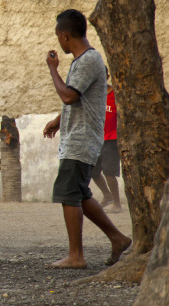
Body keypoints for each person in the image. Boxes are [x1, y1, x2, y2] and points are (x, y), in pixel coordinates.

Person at [43, 9, 131, 268]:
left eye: (59, 37)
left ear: (64, 35)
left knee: (68, 194)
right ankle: (117, 237)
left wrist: (52, 70)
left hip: (81, 141)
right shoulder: (84, 62)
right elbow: (79, 98)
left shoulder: (89, 60)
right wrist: (58, 122)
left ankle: (76, 256)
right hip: (78, 136)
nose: (59, 42)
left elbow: (69, 96)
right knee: (81, 194)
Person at [91, 67, 122, 213]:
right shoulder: (92, 95)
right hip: (95, 138)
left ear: (107, 76)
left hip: (111, 138)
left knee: (109, 172)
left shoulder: (116, 95)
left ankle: (117, 204)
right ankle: (107, 195)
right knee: (93, 171)